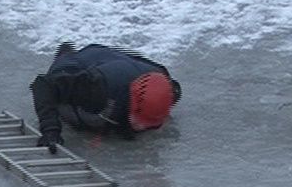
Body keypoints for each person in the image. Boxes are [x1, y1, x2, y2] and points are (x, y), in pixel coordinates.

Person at [30, 42, 182, 153]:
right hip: (78, 65)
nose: (143, 126)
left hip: (112, 58)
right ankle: (66, 51)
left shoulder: (168, 86)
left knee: (123, 126)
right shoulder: (96, 90)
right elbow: (43, 85)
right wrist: (51, 131)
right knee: (86, 117)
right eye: (141, 119)